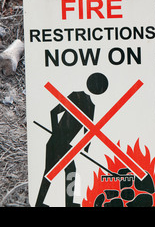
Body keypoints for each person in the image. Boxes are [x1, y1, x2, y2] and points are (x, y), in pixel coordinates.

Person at [35, 73, 108, 207]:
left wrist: (86, 147)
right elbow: (53, 112)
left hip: (66, 145)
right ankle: (41, 203)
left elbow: (89, 131)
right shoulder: (75, 95)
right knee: (51, 172)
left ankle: (65, 203)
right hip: (55, 142)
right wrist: (56, 134)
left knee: (67, 171)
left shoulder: (92, 106)